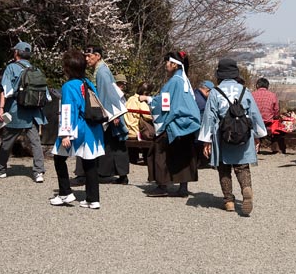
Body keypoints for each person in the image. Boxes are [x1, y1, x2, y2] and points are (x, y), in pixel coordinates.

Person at [199, 58, 267, 215]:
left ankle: (228, 200)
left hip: (222, 134)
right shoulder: (245, 91)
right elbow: (254, 114)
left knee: (223, 169)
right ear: (236, 73)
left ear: (219, 74)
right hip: (243, 134)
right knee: (242, 166)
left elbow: (209, 117)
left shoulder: (215, 92)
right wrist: (257, 136)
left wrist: (206, 141)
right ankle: (246, 189)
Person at [138, 50, 202, 197]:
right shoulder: (185, 80)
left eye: (168, 62)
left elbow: (164, 104)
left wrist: (148, 99)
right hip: (189, 124)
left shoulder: (173, 82)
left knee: (158, 150)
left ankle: (162, 185)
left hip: (175, 123)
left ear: (174, 64)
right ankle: (183, 187)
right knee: (184, 154)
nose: (166, 65)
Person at [49, 50, 105, 209]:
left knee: (59, 158)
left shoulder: (68, 86)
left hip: (76, 128)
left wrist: (65, 134)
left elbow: (68, 110)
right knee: (90, 163)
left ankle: (65, 192)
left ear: (68, 68)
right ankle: (93, 199)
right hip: (92, 128)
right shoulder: (88, 82)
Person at [0, 41, 48, 183]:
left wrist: (1, 108)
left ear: (16, 53)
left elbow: (6, 91)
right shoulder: (36, 70)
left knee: (7, 140)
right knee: (35, 142)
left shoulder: (11, 68)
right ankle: (39, 172)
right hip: (33, 112)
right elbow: (47, 95)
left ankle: (0, 169)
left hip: (16, 111)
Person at [80, 45, 129, 184]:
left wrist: (114, 115)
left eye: (89, 56)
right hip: (109, 111)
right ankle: (117, 174)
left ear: (98, 56)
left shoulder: (101, 72)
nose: (87, 59)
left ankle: (109, 173)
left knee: (112, 143)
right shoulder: (101, 70)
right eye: (86, 56)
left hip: (109, 112)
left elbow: (108, 93)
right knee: (112, 143)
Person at [253, 78, 285, 154]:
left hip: (255, 122)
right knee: (278, 126)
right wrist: (275, 117)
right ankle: (275, 148)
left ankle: (255, 147)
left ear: (257, 85)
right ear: (267, 86)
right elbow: (276, 110)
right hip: (268, 122)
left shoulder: (252, 94)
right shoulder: (272, 95)